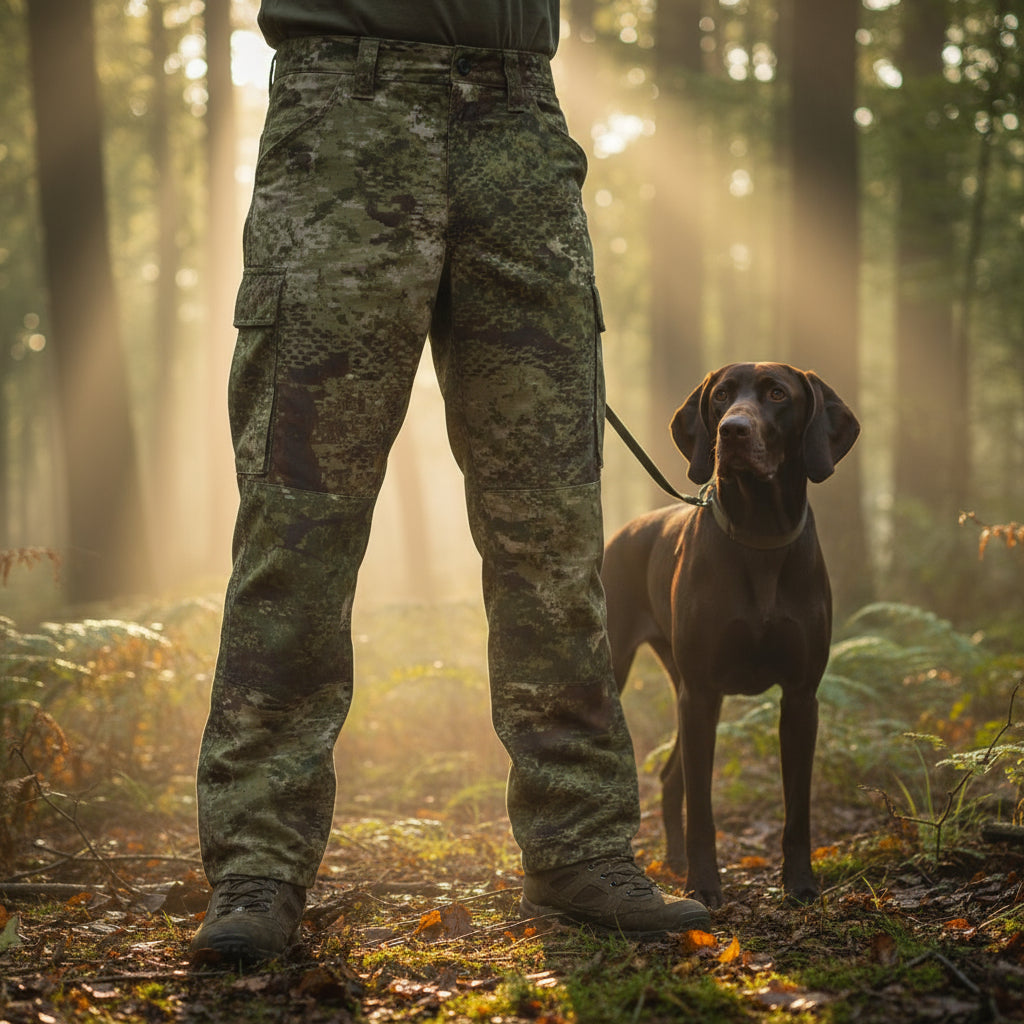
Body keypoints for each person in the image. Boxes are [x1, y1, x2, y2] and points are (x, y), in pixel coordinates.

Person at [190, 0, 711, 966]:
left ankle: (580, 846)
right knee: (298, 524)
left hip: (517, 115)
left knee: (552, 528)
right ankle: (256, 864)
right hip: (343, 110)